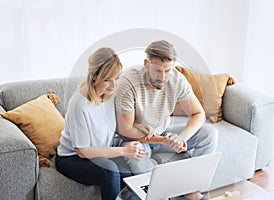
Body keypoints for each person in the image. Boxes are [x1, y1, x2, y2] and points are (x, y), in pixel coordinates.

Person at [114, 40, 218, 200]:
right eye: (157, 71)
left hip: (163, 132)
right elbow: (125, 132)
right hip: (138, 139)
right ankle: (158, 195)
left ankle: (191, 190)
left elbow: (198, 114)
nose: (163, 78)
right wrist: (164, 141)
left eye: (167, 71)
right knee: (137, 152)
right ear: (146, 64)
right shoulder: (128, 82)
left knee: (209, 133)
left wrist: (181, 138)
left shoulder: (177, 79)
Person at [55, 47, 145, 200]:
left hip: (100, 152)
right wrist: (123, 151)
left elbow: (118, 125)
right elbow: (83, 151)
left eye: (116, 78)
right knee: (109, 170)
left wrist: (137, 127)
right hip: (71, 158)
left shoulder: (109, 95)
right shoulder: (79, 104)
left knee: (130, 178)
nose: (113, 85)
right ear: (95, 76)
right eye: (107, 79)